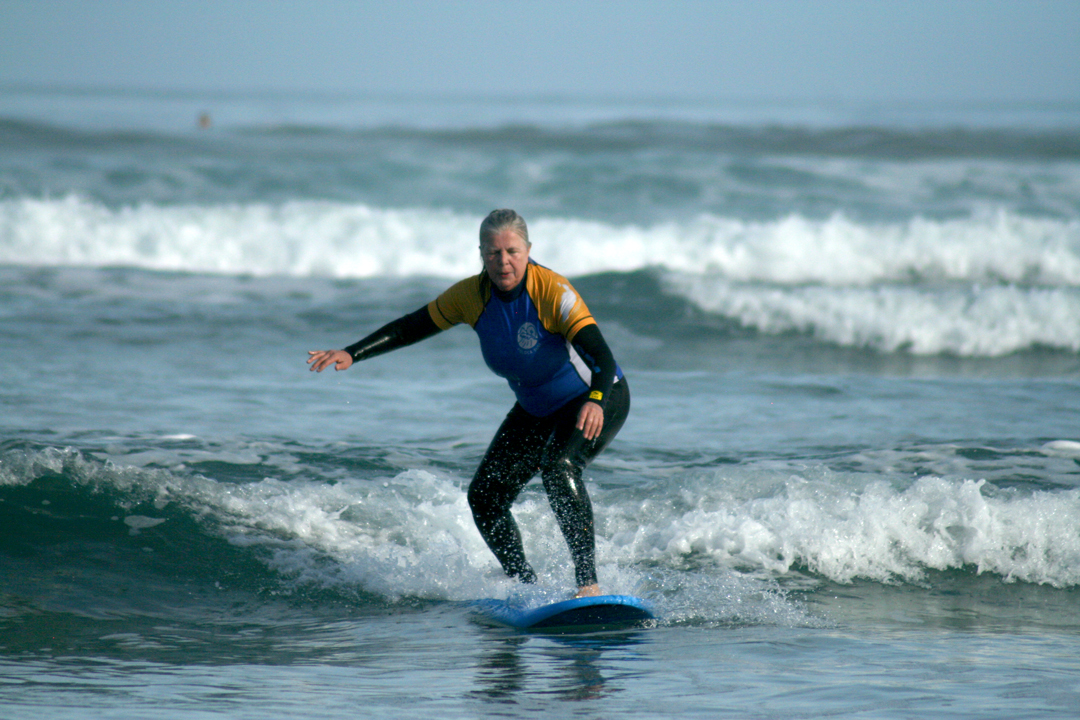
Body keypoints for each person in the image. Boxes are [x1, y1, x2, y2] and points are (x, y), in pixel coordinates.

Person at [307, 209, 630, 598]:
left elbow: (602, 356)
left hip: (596, 396)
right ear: (481, 254)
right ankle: (524, 585)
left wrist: (596, 400)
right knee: (486, 497)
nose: (503, 261)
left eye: (512, 251)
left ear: (528, 250)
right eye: (493, 253)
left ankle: (588, 584)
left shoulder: (552, 291)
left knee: (559, 467)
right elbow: (414, 325)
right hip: (537, 408)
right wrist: (353, 353)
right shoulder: (470, 296)